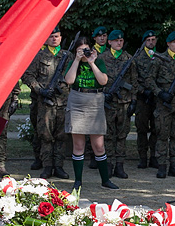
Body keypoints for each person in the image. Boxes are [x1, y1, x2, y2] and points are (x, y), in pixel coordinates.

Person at [63, 36, 118, 192]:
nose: (84, 53)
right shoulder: (73, 62)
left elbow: (103, 81)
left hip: (95, 101)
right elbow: (69, 80)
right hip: (77, 100)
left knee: (99, 146)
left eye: (86, 49)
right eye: (81, 50)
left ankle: (105, 180)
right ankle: (78, 181)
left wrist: (92, 61)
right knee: (78, 145)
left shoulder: (98, 61)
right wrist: (76, 60)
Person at [22, 28, 72, 180]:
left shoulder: (68, 56)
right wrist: (40, 90)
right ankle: (47, 166)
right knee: (45, 136)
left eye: (56, 36)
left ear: (61, 37)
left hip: (63, 102)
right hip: (45, 103)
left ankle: (59, 166)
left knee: (61, 136)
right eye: (51, 37)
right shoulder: (39, 56)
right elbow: (27, 75)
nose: (54, 39)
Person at [150, 31, 175, 179]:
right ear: (168, 44)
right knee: (162, 135)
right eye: (174, 42)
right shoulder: (159, 59)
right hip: (163, 104)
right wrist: (159, 93)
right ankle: (162, 166)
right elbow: (150, 80)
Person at [102, 30, 138, 179]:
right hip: (108, 103)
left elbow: (134, 81)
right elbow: (96, 79)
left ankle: (119, 165)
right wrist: (103, 94)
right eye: (116, 41)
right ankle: (108, 165)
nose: (119, 43)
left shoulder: (129, 59)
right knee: (108, 135)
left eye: (121, 40)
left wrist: (134, 100)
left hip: (124, 102)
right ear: (109, 42)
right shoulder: (101, 58)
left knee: (122, 135)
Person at [134, 30, 159, 169]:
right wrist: (143, 91)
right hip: (142, 99)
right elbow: (133, 78)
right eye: (148, 40)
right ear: (144, 41)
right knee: (141, 129)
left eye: (153, 39)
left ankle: (154, 156)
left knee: (156, 129)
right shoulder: (137, 58)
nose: (151, 42)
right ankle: (142, 157)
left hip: (156, 98)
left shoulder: (160, 57)